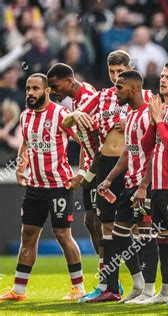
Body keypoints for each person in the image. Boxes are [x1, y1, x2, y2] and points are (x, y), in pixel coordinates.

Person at [63, 50, 152, 302]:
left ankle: (146, 284)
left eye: (120, 72)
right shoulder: (102, 97)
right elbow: (66, 123)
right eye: (111, 72)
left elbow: (157, 127)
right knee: (107, 227)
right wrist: (74, 115)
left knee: (137, 228)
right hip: (105, 165)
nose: (115, 77)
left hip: (131, 165)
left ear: (129, 69)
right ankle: (110, 285)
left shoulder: (142, 99)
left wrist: (133, 123)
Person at [0, 73, 84, 301]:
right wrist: (20, 167)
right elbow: (26, 144)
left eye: (36, 88)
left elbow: (84, 140)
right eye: (28, 88)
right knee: (28, 235)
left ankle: (78, 288)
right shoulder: (26, 116)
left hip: (59, 185)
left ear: (47, 91)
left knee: (62, 234)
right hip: (35, 187)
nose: (30, 93)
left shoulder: (61, 114)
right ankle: (18, 290)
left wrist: (82, 174)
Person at [95, 70, 152, 304]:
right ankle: (138, 283)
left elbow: (155, 154)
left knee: (150, 237)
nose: (115, 91)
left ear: (134, 89)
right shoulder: (130, 114)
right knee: (119, 234)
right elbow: (128, 153)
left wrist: (145, 186)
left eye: (120, 87)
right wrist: (109, 178)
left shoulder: (148, 115)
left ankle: (152, 289)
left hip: (144, 186)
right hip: (129, 184)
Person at [138, 61, 168, 305]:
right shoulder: (160, 107)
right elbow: (147, 145)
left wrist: (160, 119)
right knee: (162, 239)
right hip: (158, 183)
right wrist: (155, 119)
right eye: (163, 76)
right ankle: (166, 291)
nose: (163, 80)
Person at [46, 63, 101, 255]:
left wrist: (86, 174)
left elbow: (97, 140)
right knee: (92, 221)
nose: (53, 91)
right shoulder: (79, 97)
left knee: (99, 222)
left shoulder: (86, 98)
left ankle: (111, 278)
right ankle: (108, 276)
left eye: (55, 86)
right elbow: (86, 142)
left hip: (100, 168)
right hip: (93, 166)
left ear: (69, 81)